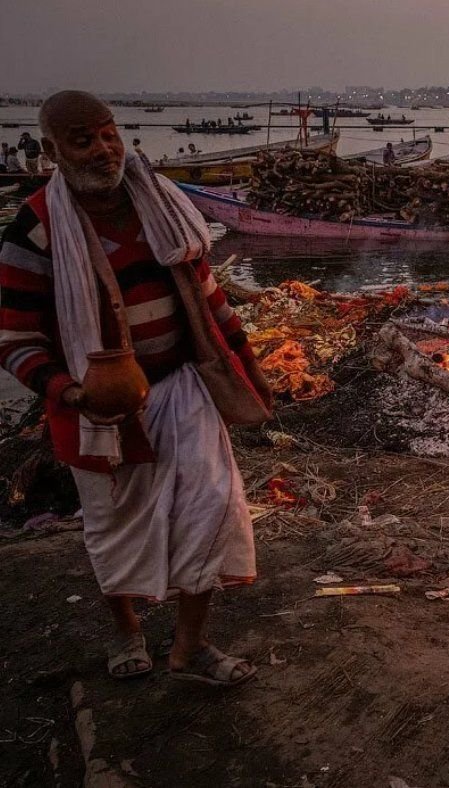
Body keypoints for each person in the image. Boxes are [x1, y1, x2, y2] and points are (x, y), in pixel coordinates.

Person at [0, 91, 272, 686]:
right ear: (51, 151)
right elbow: (15, 338)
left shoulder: (164, 204)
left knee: (212, 510)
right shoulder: (34, 232)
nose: (103, 149)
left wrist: (247, 364)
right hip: (97, 411)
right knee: (115, 525)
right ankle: (126, 630)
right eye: (83, 140)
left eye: (108, 134)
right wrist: (72, 394)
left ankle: (191, 649)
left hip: (183, 388)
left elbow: (208, 295)